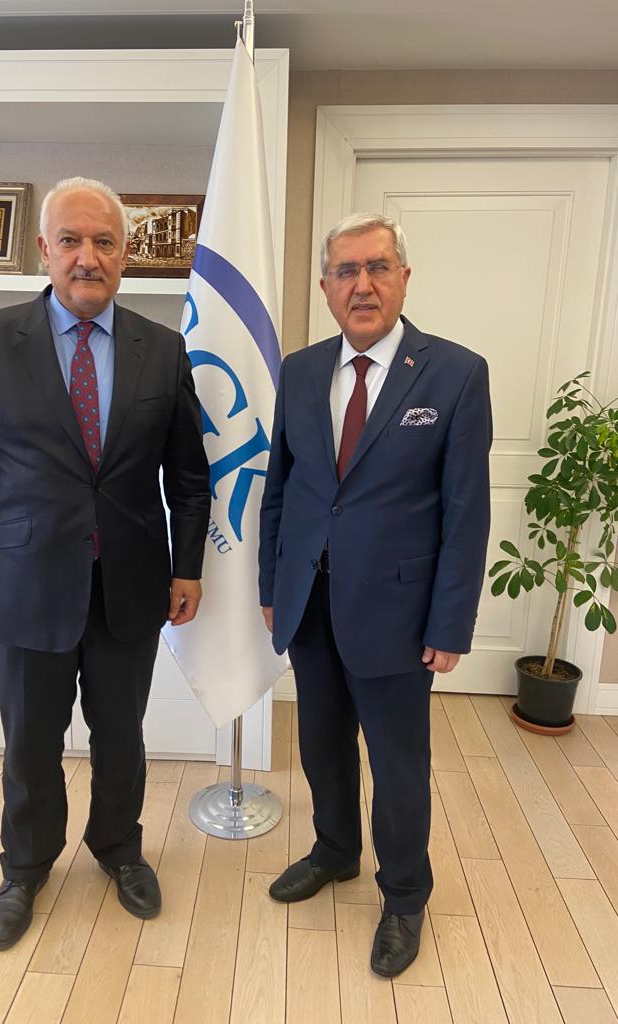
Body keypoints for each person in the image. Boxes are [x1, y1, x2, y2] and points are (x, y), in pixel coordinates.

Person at [0, 176, 210, 951]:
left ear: (125, 255)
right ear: (43, 250)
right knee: (30, 741)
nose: (88, 257)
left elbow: (189, 476)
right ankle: (24, 866)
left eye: (104, 242)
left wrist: (187, 566)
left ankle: (119, 849)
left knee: (122, 736)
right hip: (22, 586)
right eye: (71, 241)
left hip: (131, 585)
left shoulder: (164, 349)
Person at [258, 213, 491, 977]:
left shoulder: (455, 374)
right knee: (321, 746)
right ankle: (334, 850)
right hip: (309, 603)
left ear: (403, 278)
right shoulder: (299, 371)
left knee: (397, 765)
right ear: (326, 286)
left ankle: (405, 895)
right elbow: (282, 489)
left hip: (398, 613)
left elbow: (465, 512)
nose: (362, 285)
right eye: (346, 271)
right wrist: (272, 585)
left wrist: (451, 621)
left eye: (378, 267)